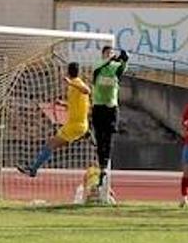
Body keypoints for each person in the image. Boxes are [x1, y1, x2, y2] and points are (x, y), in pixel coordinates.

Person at [19, 62, 92, 179]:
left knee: (50, 144)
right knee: (51, 145)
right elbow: (75, 104)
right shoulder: (72, 86)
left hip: (76, 126)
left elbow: (87, 90)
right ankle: (33, 168)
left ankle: (33, 169)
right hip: (74, 125)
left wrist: (71, 83)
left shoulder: (77, 84)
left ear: (68, 72)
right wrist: (63, 104)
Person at [89, 45, 129, 196]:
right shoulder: (97, 66)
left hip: (111, 108)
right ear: (103, 55)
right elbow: (101, 65)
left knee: (109, 137)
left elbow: (123, 66)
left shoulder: (115, 67)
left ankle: (105, 167)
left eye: (112, 53)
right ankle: (101, 166)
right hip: (98, 107)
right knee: (100, 139)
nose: (110, 55)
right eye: (107, 53)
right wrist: (111, 59)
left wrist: (125, 58)